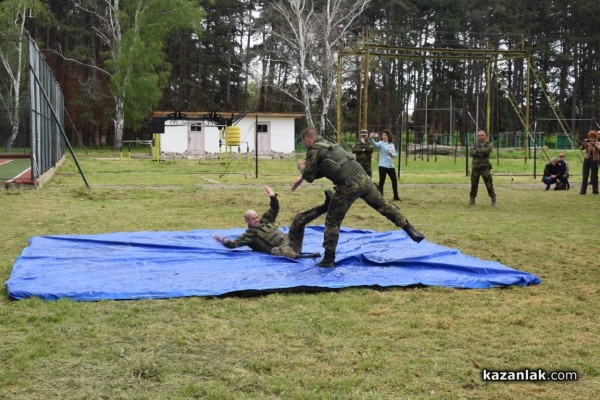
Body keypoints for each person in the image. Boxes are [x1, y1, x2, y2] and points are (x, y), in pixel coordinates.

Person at [291, 126, 425, 268]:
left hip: (347, 186)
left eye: (304, 142)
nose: (304, 145)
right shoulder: (328, 143)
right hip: (363, 178)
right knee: (384, 206)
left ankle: (328, 259)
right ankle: (410, 229)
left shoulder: (313, 150)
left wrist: (302, 168)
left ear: (307, 139)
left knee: (332, 221)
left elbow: (310, 176)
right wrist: (305, 173)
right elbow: (328, 168)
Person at [213, 185, 332, 259]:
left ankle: (325, 206)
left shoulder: (266, 220)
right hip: (284, 250)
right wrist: (223, 241)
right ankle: (300, 256)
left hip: (292, 241)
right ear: (247, 221)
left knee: (298, 218)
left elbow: (275, 208)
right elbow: (234, 244)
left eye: (257, 217)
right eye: (253, 219)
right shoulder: (250, 235)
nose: (257, 220)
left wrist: (273, 197)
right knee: (275, 251)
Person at [369, 129, 400, 201]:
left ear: (388, 136)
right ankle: (381, 197)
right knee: (382, 181)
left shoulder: (392, 144)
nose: (383, 136)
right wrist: (371, 138)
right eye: (382, 135)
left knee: (394, 180)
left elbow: (395, 155)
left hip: (390, 166)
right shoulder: (381, 143)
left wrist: (391, 154)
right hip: (382, 165)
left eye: (385, 135)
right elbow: (375, 145)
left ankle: (396, 196)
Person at [469, 130, 496, 206]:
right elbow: (471, 153)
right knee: (474, 184)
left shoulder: (488, 144)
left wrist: (477, 151)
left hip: (485, 167)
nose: (480, 137)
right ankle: (472, 199)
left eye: (482, 135)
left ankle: (493, 199)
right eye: (479, 135)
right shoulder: (474, 144)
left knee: (489, 184)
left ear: (485, 136)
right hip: (475, 167)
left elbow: (487, 151)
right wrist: (481, 152)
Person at [579, 130, 600, 195]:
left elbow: (599, 150)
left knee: (594, 176)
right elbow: (581, 148)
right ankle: (583, 191)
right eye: (590, 137)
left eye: (593, 137)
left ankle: (595, 191)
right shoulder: (587, 143)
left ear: (595, 137)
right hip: (586, 159)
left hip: (595, 160)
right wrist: (584, 143)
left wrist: (594, 145)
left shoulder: (598, 143)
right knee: (585, 175)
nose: (591, 138)